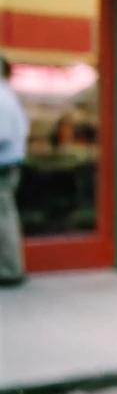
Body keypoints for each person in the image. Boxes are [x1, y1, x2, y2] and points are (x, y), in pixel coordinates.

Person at [0, 56, 28, 287]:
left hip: (3, 168)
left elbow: (3, 135)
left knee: (4, 219)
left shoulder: (1, 97)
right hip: (9, 166)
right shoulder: (8, 95)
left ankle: (10, 270)